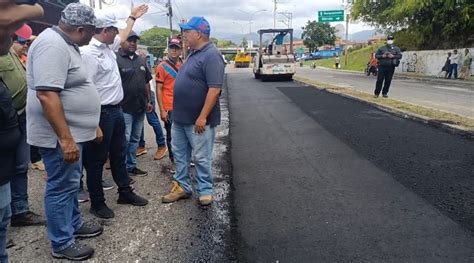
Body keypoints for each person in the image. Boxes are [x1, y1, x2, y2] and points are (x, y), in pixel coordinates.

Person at [26, 3, 104, 260]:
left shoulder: (65, 44)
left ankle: (73, 224)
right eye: (91, 32)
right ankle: (61, 242)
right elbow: (47, 95)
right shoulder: (52, 45)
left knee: (70, 183)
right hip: (59, 136)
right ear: (81, 29)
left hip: (71, 133)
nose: (92, 37)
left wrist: (90, 122)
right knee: (61, 186)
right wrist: (66, 139)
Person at [81, 7, 149, 220]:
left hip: (116, 110)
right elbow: (86, 90)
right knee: (96, 160)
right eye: (114, 30)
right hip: (100, 113)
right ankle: (97, 203)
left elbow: (124, 33)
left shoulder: (107, 47)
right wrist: (93, 123)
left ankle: (125, 193)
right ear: (105, 30)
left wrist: (132, 18)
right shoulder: (89, 53)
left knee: (118, 154)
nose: (119, 35)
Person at [162, 16, 225, 206]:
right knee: (180, 155)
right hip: (180, 118)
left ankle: (205, 190)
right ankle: (182, 186)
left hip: (198, 120)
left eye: (187, 32)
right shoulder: (192, 54)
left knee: (201, 157)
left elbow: (214, 89)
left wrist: (202, 116)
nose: (184, 36)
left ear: (198, 34)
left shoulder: (211, 55)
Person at [0, 1, 43, 261]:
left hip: (16, 123)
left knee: (19, 169)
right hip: (10, 120)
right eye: (21, 40)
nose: (23, 44)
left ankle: (19, 211)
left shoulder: (13, 54)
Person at [116, 31, 156, 171]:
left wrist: (149, 101)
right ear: (121, 42)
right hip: (124, 107)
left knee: (135, 138)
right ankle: (120, 168)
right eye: (129, 40)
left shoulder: (141, 60)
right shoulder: (116, 59)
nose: (133, 43)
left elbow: (146, 82)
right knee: (124, 140)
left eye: (134, 41)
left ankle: (131, 166)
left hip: (141, 107)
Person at [155, 38, 183, 173]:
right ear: (168, 49)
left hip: (182, 107)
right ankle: (174, 161)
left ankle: (182, 159)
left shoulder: (182, 64)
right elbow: (159, 89)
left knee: (183, 135)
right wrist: (162, 109)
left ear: (180, 50)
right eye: (172, 47)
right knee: (172, 136)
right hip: (169, 107)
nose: (174, 50)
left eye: (177, 48)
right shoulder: (162, 66)